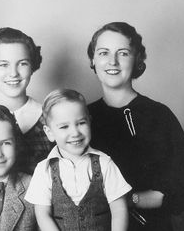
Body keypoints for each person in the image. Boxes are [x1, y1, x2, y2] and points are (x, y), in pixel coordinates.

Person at [86, 22, 184, 230]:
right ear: (93, 59)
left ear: (137, 59)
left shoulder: (159, 116)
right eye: (103, 53)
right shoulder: (83, 117)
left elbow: (183, 192)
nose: (112, 62)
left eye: (123, 53)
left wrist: (128, 200)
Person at [25, 89, 131, 231]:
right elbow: (43, 215)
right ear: (49, 133)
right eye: (64, 126)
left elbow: (119, 211)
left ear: (89, 122)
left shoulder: (105, 163)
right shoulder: (44, 170)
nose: (75, 133)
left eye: (81, 123)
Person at [0, 27, 53, 174]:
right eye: (3, 65)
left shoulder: (50, 119)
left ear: (32, 67)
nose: (13, 73)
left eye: (22, 63)